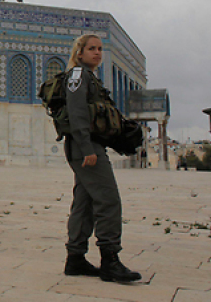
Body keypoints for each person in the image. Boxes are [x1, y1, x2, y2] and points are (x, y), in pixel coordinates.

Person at [61, 34, 141, 283]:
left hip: (89, 145)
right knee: (108, 200)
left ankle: (75, 259)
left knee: (84, 204)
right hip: (86, 147)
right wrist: (87, 149)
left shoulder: (89, 77)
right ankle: (110, 261)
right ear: (80, 52)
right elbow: (76, 114)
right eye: (91, 49)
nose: (97, 53)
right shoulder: (77, 76)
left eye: (100, 49)